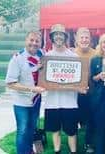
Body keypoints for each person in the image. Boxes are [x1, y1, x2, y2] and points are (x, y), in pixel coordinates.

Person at [44, 24, 87, 154]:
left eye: (61, 34)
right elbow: (41, 80)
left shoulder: (73, 57)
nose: (58, 37)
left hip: (70, 102)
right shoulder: (46, 57)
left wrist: (81, 88)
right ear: (52, 37)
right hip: (52, 102)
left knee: (71, 131)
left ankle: (73, 152)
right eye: (56, 34)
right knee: (55, 130)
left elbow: (80, 81)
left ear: (65, 37)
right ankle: (57, 151)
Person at [5, 30, 45, 154]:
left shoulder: (42, 54)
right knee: (22, 130)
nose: (34, 43)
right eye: (31, 40)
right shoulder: (17, 58)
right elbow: (10, 83)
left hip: (36, 100)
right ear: (26, 41)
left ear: (40, 43)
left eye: (37, 41)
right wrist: (32, 89)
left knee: (32, 128)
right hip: (21, 102)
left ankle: (29, 151)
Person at [74, 27, 96, 153]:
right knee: (74, 120)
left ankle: (88, 143)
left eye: (86, 37)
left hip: (91, 93)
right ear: (76, 39)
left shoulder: (96, 53)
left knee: (90, 120)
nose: (84, 40)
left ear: (90, 39)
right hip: (74, 93)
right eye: (81, 37)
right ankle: (74, 143)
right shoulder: (70, 54)